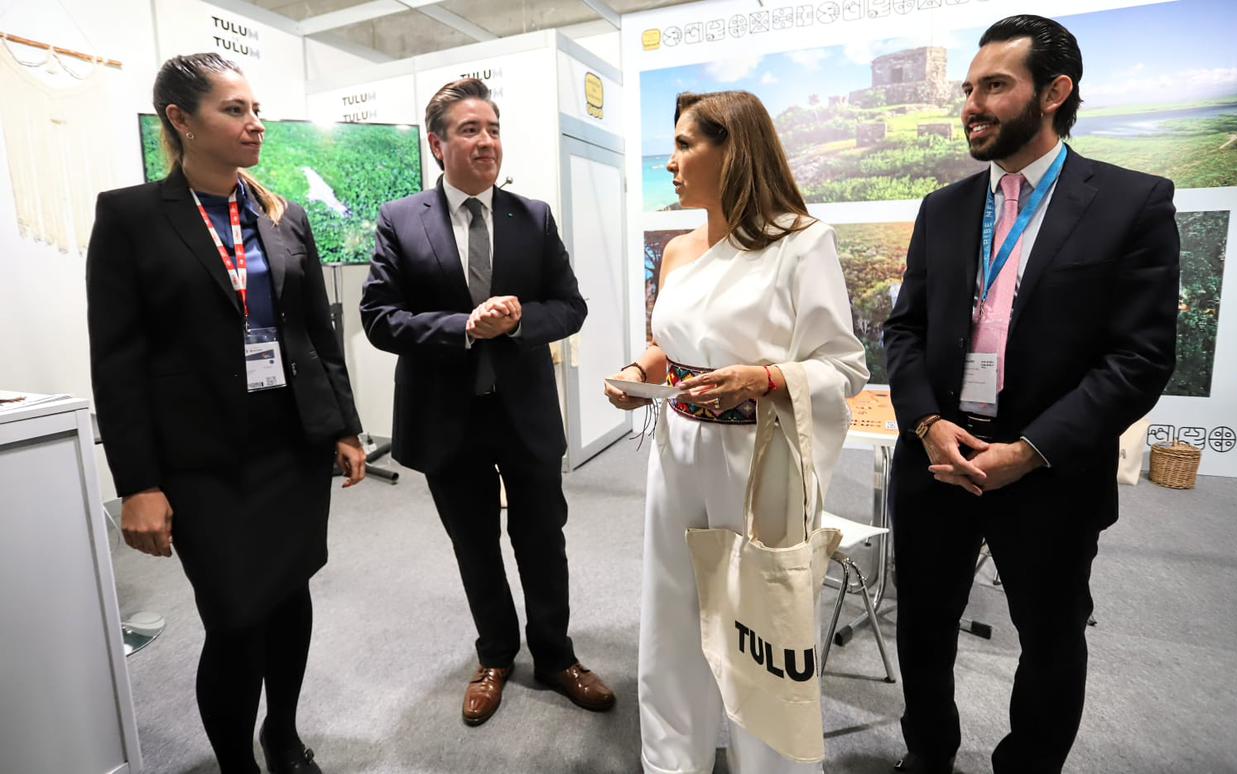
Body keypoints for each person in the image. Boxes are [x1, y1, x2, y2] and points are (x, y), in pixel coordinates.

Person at [882, 15, 1179, 774]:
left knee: (1050, 636)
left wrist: (1032, 449)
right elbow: (906, 331)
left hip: (1049, 470)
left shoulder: (1131, 203)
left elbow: (1140, 358)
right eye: (969, 89)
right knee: (922, 624)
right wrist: (925, 424)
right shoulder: (942, 208)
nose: (971, 105)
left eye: (994, 87)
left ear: (1055, 92)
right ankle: (928, 756)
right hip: (937, 460)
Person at [87, 53, 366, 774]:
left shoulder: (283, 213)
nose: (255, 124)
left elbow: (314, 330)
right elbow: (116, 364)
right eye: (234, 110)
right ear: (181, 121)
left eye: (256, 109)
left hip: (289, 449)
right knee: (237, 618)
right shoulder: (131, 218)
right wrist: (138, 484)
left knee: (290, 595)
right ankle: (235, 763)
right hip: (201, 462)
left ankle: (283, 734)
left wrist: (342, 425)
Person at [606, 91, 869, 774]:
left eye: (687, 143)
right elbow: (672, 343)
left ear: (734, 150)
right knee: (672, 616)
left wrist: (765, 377)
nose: (670, 161)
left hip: (758, 457)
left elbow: (843, 367)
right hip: (677, 451)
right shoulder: (677, 249)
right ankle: (673, 761)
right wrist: (638, 371)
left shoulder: (799, 242)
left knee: (763, 622)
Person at [360, 77, 614, 727]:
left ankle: (556, 657)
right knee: (474, 545)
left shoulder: (531, 216)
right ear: (437, 144)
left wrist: (519, 320)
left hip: (524, 414)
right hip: (447, 419)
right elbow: (380, 318)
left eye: (493, 128)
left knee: (541, 539)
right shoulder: (399, 220)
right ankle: (495, 655)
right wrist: (464, 327)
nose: (486, 141)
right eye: (470, 130)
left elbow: (571, 306)